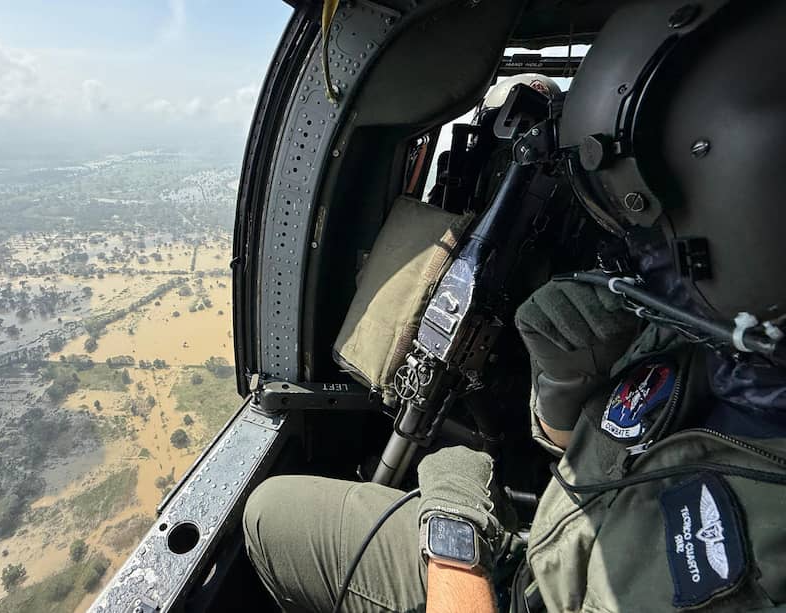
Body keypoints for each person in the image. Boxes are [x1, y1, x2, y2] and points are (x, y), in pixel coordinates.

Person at [243, 2, 786, 611]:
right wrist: (561, 390)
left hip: (503, 586)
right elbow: (580, 448)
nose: (638, 262)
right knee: (271, 513)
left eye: (655, 243)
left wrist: (453, 540)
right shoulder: (714, 343)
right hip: (545, 549)